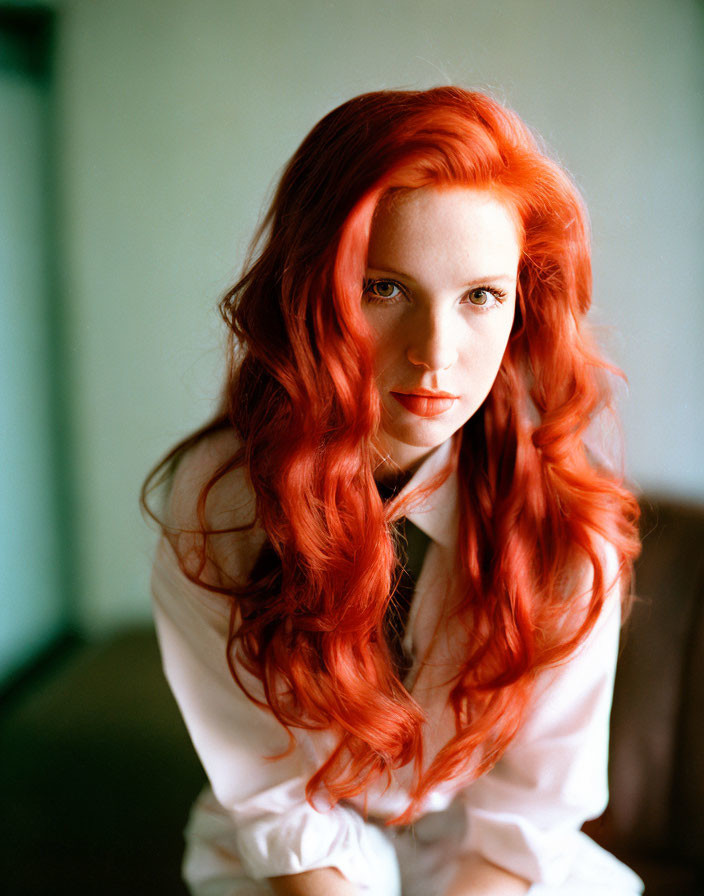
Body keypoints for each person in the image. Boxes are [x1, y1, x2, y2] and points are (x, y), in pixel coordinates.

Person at [142, 87, 645, 895]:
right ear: (312, 294)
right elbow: (272, 797)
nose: (436, 353)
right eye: (385, 289)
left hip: (494, 864)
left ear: (522, 306)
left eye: (481, 295)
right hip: (293, 855)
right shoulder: (219, 505)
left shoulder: (566, 525)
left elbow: (529, 817)